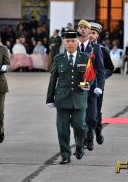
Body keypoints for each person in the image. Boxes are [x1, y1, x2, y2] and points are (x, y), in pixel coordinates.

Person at [46, 30, 89, 164]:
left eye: (73, 41)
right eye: (68, 41)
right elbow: (53, 79)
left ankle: (80, 145)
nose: (70, 44)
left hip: (79, 98)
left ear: (77, 42)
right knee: (62, 129)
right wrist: (49, 98)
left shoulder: (85, 57)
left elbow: (91, 76)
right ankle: (65, 155)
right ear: (64, 43)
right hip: (62, 99)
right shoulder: (58, 59)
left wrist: (88, 85)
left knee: (80, 126)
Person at [77, 20, 106, 151]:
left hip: (94, 87)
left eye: (93, 33)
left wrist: (100, 84)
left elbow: (103, 70)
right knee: (80, 116)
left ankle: (95, 133)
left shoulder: (98, 49)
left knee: (93, 116)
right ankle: (84, 139)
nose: (91, 35)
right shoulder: (74, 46)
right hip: (78, 87)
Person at [89, 22, 114, 145]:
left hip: (97, 86)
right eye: (89, 33)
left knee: (96, 112)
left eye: (93, 33)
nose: (91, 35)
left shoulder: (103, 51)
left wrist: (102, 78)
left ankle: (98, 130)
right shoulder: (80, 49)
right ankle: (87, 138)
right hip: (84, 85)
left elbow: (110, 67)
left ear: (97, 36)